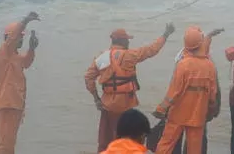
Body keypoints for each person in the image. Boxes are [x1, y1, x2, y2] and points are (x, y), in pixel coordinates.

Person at [85, 23, 176, 152]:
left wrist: (96, 99)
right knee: (126, 140)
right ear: (121, 41)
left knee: (105, 139)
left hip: (107, 105)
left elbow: (88, 77)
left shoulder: (102, 57)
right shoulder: (130, 55)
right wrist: (166, 34)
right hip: (125, 105)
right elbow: (151, 50)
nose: (128, 42)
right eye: (127, 39)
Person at [154, 26, 218, 154]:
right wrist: (211, 109)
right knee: (194, 149)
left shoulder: (183, 64)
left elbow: (174, 91)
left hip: (178, 112)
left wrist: (161, 109)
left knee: (166, 144)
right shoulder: (209, 65)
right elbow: (212, 93)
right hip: (198, 113)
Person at [0, 11, 40, 154]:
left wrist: (32, 49)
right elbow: (12, 39)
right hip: (8, 103)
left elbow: (26, 62)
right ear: (10, 38)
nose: (21, 40)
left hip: (14, 104)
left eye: (22, 37)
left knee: (4, 139)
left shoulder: (15, 57)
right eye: (19, 37)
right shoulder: (4, 52)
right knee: (6, 142)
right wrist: (25, 21)